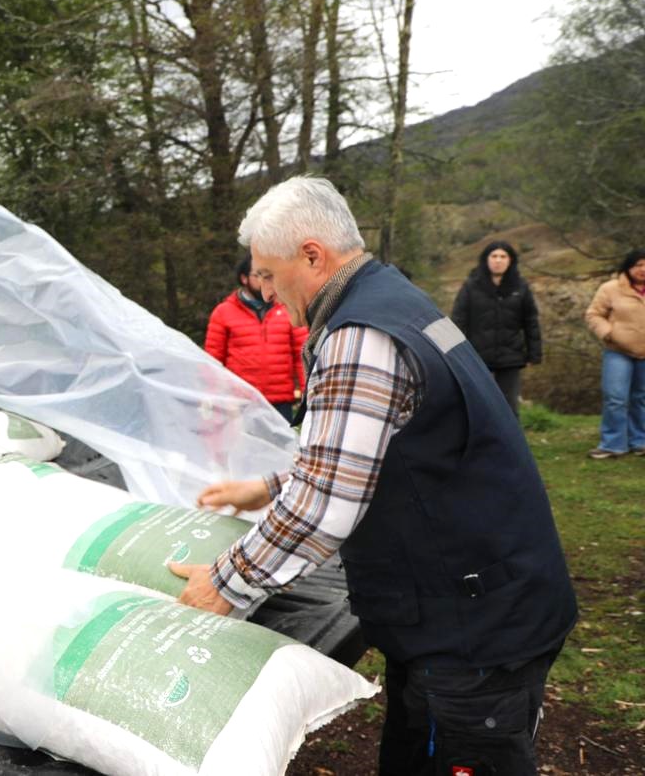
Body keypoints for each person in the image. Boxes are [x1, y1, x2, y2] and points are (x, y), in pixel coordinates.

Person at [168, 177, 577, 776]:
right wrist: (268, 489)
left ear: (312, 255)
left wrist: (224, 587)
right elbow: (382, 449)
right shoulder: (396, 299)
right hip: (483, 597)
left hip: (473, 625)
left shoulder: (360, 336)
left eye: (272, 276)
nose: (271, 294)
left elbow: (326, 501)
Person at [203, 254, 306, 421]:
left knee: (281, 447)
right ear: (244, 278)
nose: (265, 282)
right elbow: (212, 362)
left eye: (269, 276)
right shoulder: (223, 313)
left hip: (280, 404)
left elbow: (302, 356)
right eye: (259, 275)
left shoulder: (288, 309)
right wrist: (216, 398)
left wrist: (307, 394)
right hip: (240, 405)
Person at [450, 240, 542, 416]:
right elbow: (458, 319)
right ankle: (478, 442)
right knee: (477, 403)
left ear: (510, 260)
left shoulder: (521, 287)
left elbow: (531, 321)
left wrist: (534, 353)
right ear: (486, 259)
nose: (498, 260)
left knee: (508, 407)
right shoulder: (471, 286)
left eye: (503, 256)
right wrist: (453, 353)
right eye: (494, 256)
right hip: (477, 355)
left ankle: (510, 443)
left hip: (511, 356)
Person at [584, 248, 645, 458]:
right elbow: (594, 314)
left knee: (641, 398)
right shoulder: (611, 289)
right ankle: (613, 443)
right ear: (628, 266)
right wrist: (609, 333)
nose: (642, 269)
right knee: (615, 397)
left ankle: (640, 441)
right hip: (618, 351)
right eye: (638, 264)